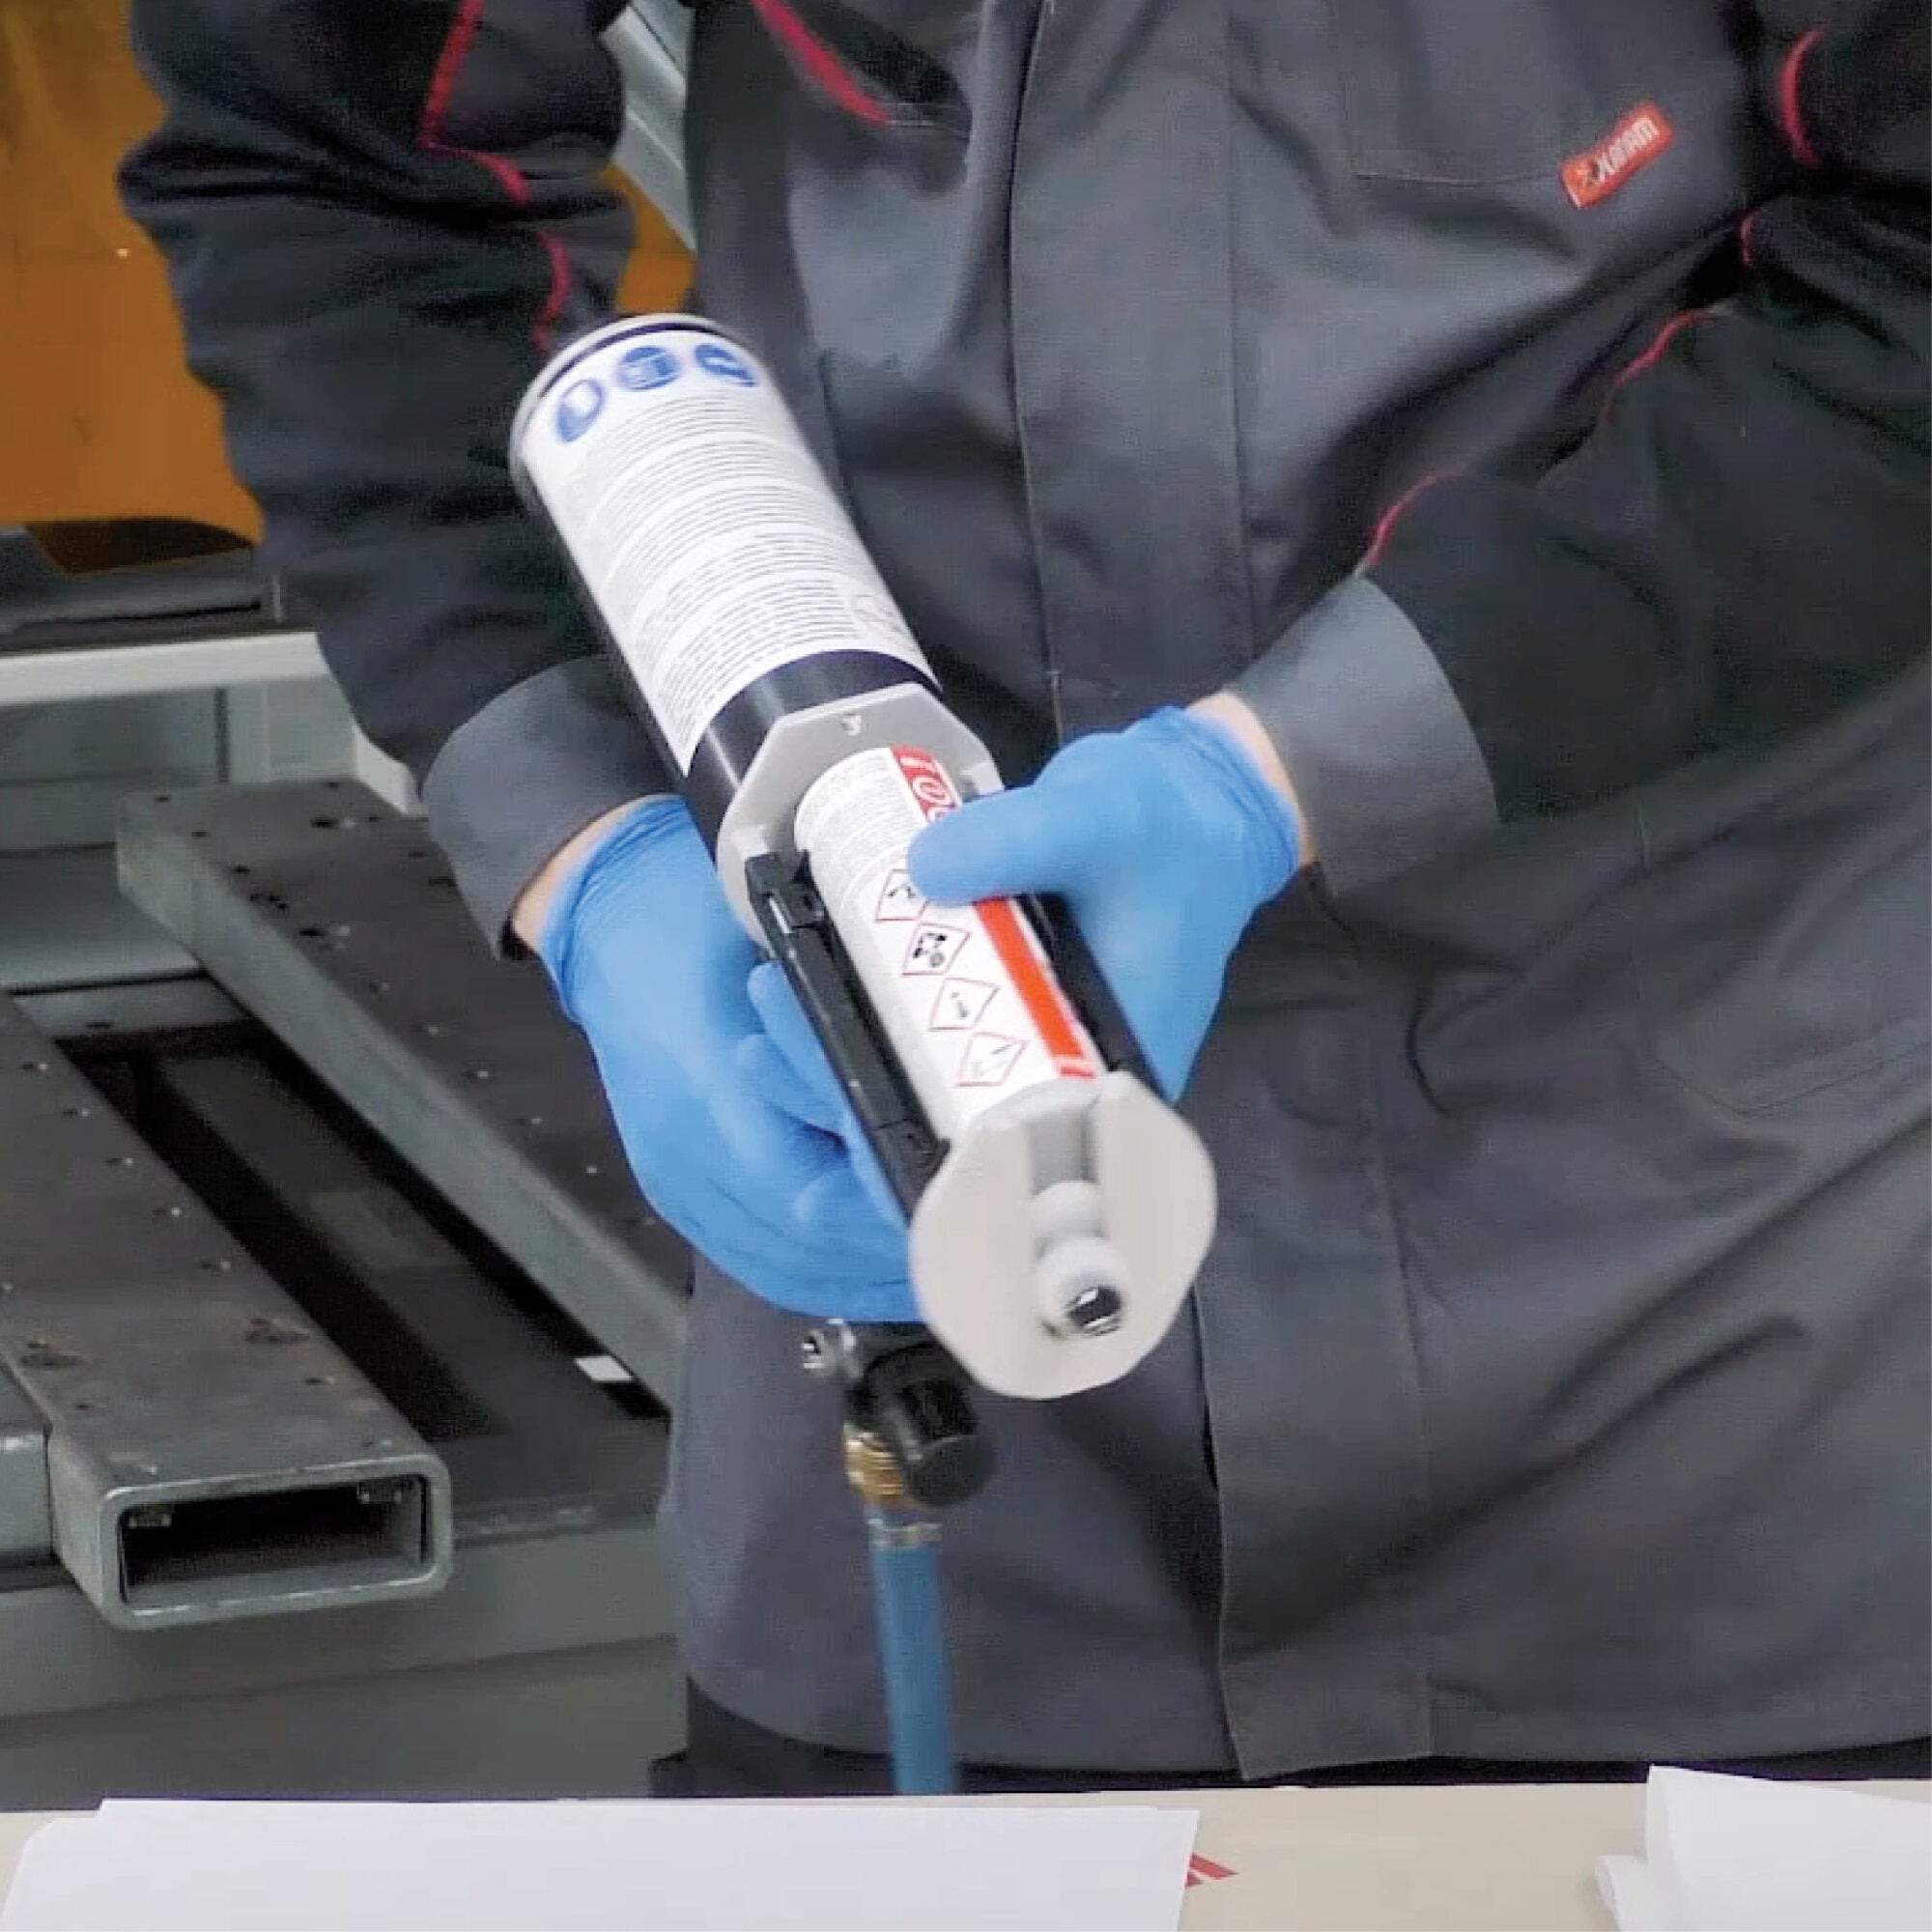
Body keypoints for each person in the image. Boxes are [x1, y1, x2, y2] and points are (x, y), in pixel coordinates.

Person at [121, 0, 1929, 1795]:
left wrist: (1296, 768)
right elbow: (325, 159)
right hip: (948, 1355)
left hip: (1729, 1356)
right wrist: (589, 843)